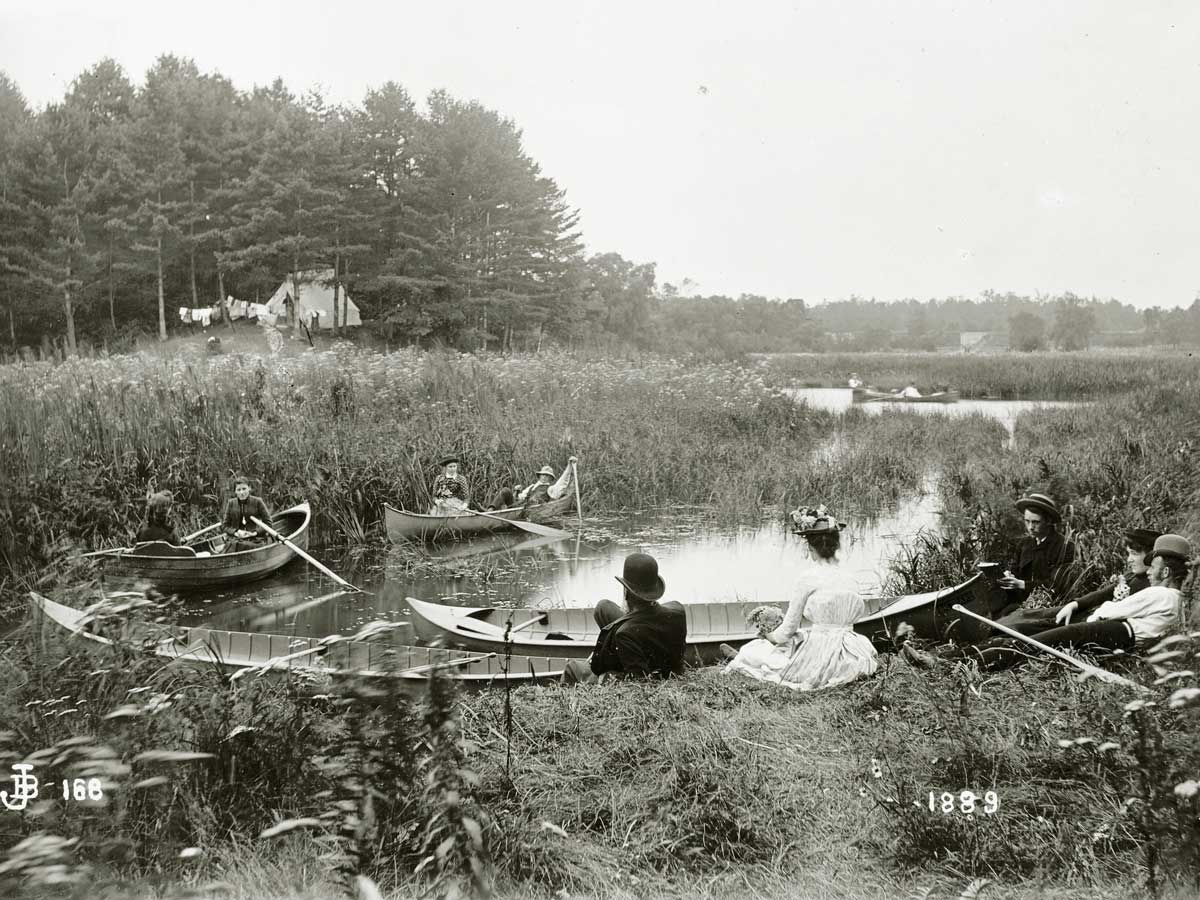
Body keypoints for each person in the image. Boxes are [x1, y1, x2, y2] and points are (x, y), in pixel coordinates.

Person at [906, 534, 1190, 671]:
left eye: (1154, 568)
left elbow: (1114, 609)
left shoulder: (1159, 593)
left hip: (1115, 632)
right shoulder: (1174, 601)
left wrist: (1102, 610)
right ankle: (949, 659)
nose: (1149, 572)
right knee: (1031, 638)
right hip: (1116, 634)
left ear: (1165, 572)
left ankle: (951, 664)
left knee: (1032, 642)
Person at [724, 507, 877, 691]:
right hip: (852, 650)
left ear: (810, 547)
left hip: (821, 651)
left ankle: (743, 658)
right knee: (800, 637)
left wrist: (769, 636)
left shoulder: (807, 578)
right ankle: (747, 656)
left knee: (763, 648)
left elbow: (787, 630)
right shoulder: (850, 579)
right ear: (836, 546)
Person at [995, 526, 1160, 637]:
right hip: (1088, 613)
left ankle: (995, 631)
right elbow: (1103, 593)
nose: (1129, 560)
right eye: (1128, 554)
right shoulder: (1134, 576)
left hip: (1092, 623)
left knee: (1037, 625)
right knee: (1035, 614)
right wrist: (1074, 605)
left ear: (1152, 557)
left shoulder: (1150, 588)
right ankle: (997, 626)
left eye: (1134, 554)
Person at [561, 552, 687, 684]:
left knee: (572, 667)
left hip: (647, 667)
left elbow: (640, 681)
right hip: (666, 660)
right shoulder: (678, 610)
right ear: (654, 591)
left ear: (626, 593)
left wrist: (606, 675)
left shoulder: (625, 634)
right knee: (603, 607)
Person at [994, 493, 1077, 616]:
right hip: (1020, 604)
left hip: (1048, 607)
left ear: (1048, 521)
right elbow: (1015, 569)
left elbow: (1056, 585)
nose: (1030, 527)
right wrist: (1009, 576)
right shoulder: (1024, 544)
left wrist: (1022, 584)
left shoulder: (1064, 546)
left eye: (1036, 522)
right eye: (1027, 521)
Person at [486, 456, 578, 511]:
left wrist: (569, 466)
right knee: (506, 491)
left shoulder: (550, 489)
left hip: (530, 511)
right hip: (518, 508)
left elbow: (563, 481)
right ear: (540, 476)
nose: (544, 477)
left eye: (547, 476)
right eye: (543, 475)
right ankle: (491, 509)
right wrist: (516, 491)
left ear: (550, 478)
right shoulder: (532, 487)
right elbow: (518, 498)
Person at [221, 477, 273, 552]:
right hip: (237, 539)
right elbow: (225, 526)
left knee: (249, 546)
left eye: (244, 489)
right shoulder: (231, 503)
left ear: (249, 488)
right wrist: (236, 532)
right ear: (235, 491)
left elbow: (268, 523)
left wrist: (254, 533)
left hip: (255, 539)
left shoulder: (258, 502)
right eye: (238, 490)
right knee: (235, 545)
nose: (242, 492)